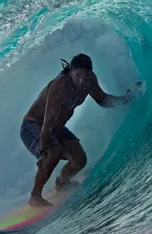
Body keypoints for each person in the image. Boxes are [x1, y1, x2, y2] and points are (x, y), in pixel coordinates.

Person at [20, 53, 143, 207]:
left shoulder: (90, 82)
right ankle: (35, 196)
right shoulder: (59, 87)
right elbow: (46, 125)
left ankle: (62, 183)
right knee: (54, 151)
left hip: (56, 128)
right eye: (78, 75)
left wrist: (125, 99)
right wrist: (44, 151)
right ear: (71, 71)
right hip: (33, 126)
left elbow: (103, 101)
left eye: (86, 75)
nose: (82, 80)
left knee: (79, 160)